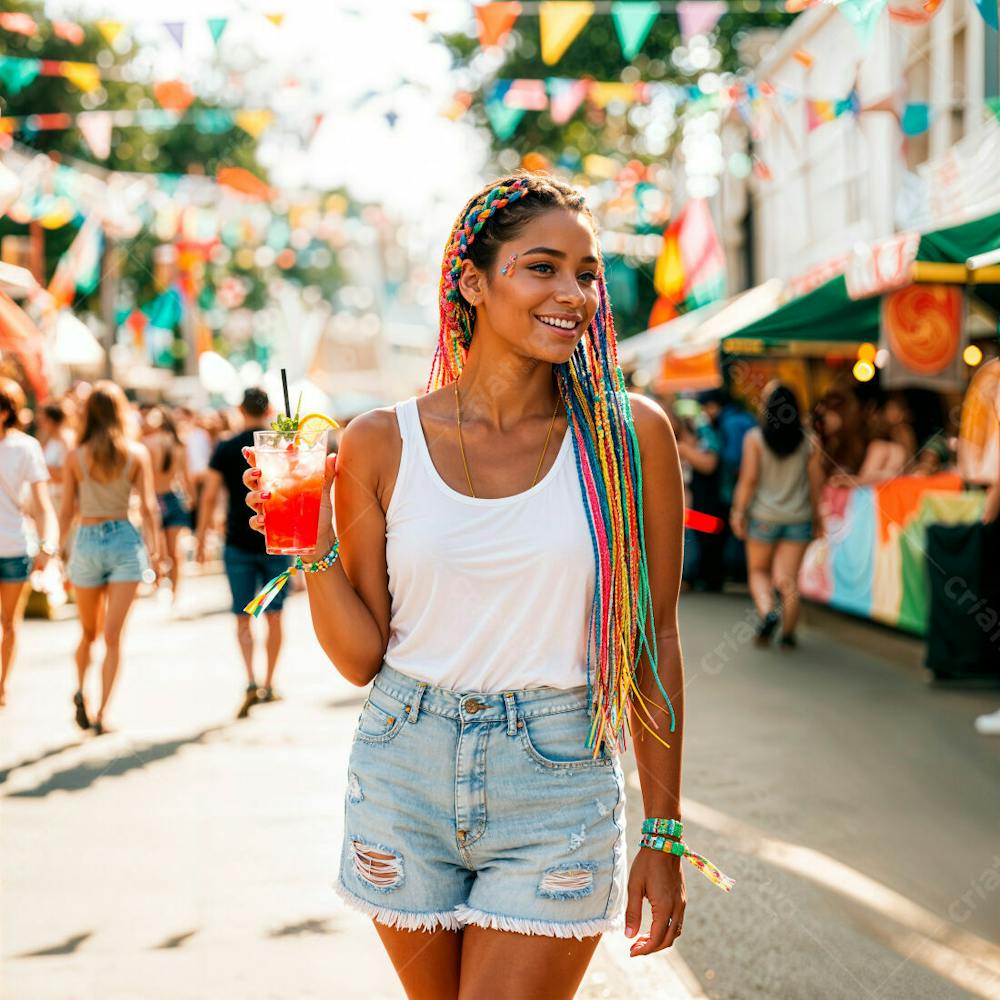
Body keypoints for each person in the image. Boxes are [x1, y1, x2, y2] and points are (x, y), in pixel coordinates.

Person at [242, 174, 717, 999]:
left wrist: (665, 832)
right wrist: (309, 543)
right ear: (472, 281)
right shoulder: (379, 443)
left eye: (587, 273)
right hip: (403, 772)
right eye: (543, 268)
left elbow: (656, 640)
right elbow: (361, 659)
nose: (574, 294)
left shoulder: (631, 438)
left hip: (557, 779)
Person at [59, 381, 162, 734]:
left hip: (86, 539)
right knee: (113, 636)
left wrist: (61, 549)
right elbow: (148, 507)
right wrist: (157, 551)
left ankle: (80, 690)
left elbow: (66, 510)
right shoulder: (136, 453)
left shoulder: (76, 456)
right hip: (123, 540)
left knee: (87, 633)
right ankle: (102, 713)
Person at [196, 387, 289, 719]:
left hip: (237, 541)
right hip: (276, 542)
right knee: (274, 614)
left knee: (242, 616)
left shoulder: (225, 446)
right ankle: (269, 682)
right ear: (269, 409)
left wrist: (202, 536)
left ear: (240, 408)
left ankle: (251, 678)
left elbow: (208, 495)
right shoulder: (279, 446)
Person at [730, 383, 825, 648]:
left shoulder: (754, 439)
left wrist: (738, 512)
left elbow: (748, 480)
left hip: (763, 517)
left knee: (759, 571)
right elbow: (816, 483)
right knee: (788, 579)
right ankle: (789, 634)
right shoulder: (810, 441)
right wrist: (818, 518)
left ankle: (768, 611)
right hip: (798, 518)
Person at [0, 378, 58, 707]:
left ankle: (3, 684)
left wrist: (47, 546)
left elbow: (43, 504)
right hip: (13, 546)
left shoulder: (25, 447)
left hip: (14, 547)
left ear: (7, 411)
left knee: (9, 622)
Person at [144, 407, 194, 607]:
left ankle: (158, 585)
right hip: (173, 497)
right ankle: (174, 591)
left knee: (157, 549)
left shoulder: (147, 444)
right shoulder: (179, 445)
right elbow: (185, 477)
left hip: (154, 498)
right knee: (175, 551)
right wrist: (192, 499)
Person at [676, 396, 725, 590]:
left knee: (699, 540)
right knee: (691, 540)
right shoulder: (695, 437)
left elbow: (709, 465)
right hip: (690, 505)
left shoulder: (704, 436)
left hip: (701, 505)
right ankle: (690, 577)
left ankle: (697, 577)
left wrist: (685, 451)